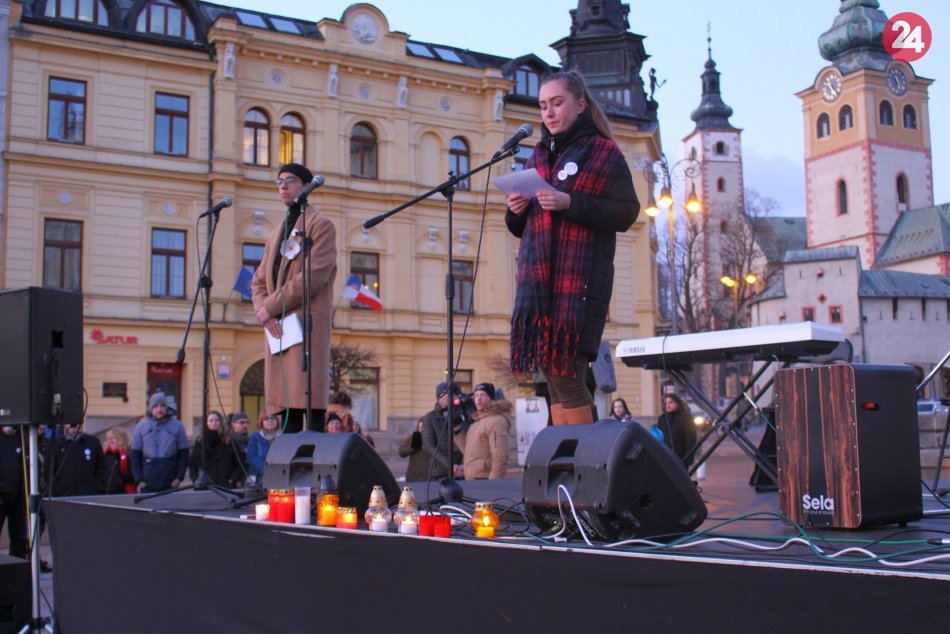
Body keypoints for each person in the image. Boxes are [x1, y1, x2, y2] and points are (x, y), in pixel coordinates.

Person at [505, 70, 639, 427]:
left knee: (566, 375)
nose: (548, 113)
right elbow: (525, 227)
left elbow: (627, 212)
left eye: (557, 103)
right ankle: (569, 455)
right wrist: (515, 212)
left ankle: (585, 455)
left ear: (580, 105)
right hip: (541, 289)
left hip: (578, 288)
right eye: (543, 106)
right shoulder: (538, 155)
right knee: (552, 379)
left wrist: (570, 202)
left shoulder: (603, 152)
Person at [251, 163, 338, 434]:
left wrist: (269, 307)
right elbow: (257, 280)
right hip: (278, 327)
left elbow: (312, 277)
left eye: (290, 181)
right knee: (286, 405)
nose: (283, 186)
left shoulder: (319, 225)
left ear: (306, 185)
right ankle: (290, 469)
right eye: (279, 182)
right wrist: (263, 313)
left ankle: (312, 469)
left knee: (307, 401)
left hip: (304, 325)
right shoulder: (276, 233)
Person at [131, 392, 189, 493]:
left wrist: (178, 478)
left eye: (162, 406)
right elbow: (135, 456)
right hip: (147, 481)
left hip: (169, 481)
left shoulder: (177, 426)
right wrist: (139, 480)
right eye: (155, 406)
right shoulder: (141, 427)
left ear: (166, 407)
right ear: (150, 408)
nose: (159, 409)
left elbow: (183, 456)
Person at [463, 383, 512, 480]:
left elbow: (500, 455)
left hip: (485, 479)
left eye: (483, 395)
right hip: (472, 478)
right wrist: (456, 431)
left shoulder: (497, 421)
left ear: (491, 398)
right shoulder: (477, 422)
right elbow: (469, 451)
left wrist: (493, 483)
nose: (478, 399)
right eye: (476, 395)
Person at [47, 422, 109, 497]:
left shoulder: (93, 442)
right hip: (64, 496)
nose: (74, 424)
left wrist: (98, 487)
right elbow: (49, 471)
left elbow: (102, 468)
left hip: (89, 495)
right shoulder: (56, 444)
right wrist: (55, 490)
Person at [188, 411, 246, 489]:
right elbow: (192, 463)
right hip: (205, 486)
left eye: (216, 420)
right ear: (206, 423)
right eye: (211, 420)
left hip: (226, 486)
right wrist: (195, 479)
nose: (214, 423)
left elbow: (240, 463)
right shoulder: (200, 441)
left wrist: (232, 479)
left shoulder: (229, 441)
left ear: (221, 422)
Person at [420, 381, 465, 481]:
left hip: (463, 470)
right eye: (443, 395)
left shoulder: (464, 415)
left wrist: (464, 464)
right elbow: (429, 445)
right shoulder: (429, 418)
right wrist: (449, 465)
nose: (447, 398)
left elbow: (470, 443)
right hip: (439, 471)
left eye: (451, 395)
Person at [0, 426, 28, 558]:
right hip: (2, 494)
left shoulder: (23, 438)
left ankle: (17, 563)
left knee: (18, 535)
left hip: (18, 496)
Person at [656, 394, 697, 468]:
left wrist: (688, 458)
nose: (668, 406)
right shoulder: (662, 419)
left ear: (677, 404)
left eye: (670, 402)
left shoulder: (686, 418)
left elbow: (690, 439)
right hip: (665, 457)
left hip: (681, 457)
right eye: (666, 403)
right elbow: (659, 438)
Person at [246, 411, 280, 485]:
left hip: (280, 475)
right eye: (266, 419)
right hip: (260, 477)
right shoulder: (255, 437)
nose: (270, 421)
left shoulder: (283, 437)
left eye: (273, 418)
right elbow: (252, 457)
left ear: (277, 420)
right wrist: (267, 469)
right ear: (261, 421)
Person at [102, 427, 136, 494]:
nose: (110, 441)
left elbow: (133, 474)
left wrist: (118, 476)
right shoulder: (105, 455)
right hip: (104, 492)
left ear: (121, 439)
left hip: (122, 492)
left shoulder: (130, 455)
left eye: (113, 438)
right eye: (109, 438)